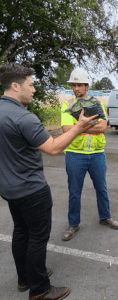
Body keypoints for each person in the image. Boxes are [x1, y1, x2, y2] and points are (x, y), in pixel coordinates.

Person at [0, 63, 98, 299]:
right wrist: (79, 127)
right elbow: (53, 148)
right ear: (16, 86)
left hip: (9, 188)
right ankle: (40, 289)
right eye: (31, 85)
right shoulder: (23, 117)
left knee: (22, 232)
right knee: (37, 237)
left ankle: (25, 277)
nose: (34, 89)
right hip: (31, 190)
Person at [61, 68, 118, 242]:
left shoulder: (97, 104)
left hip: (97, 154)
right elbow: (66, 129)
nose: (76, 88)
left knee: (101, 188)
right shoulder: (67, 105)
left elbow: (103, 128)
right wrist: (86, 127)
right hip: (74, 154)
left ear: (87, 85)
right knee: (74, 191)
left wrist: (79, 127)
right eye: (73, 85)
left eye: (79, 85)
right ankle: (73, 224)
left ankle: (105, 217)